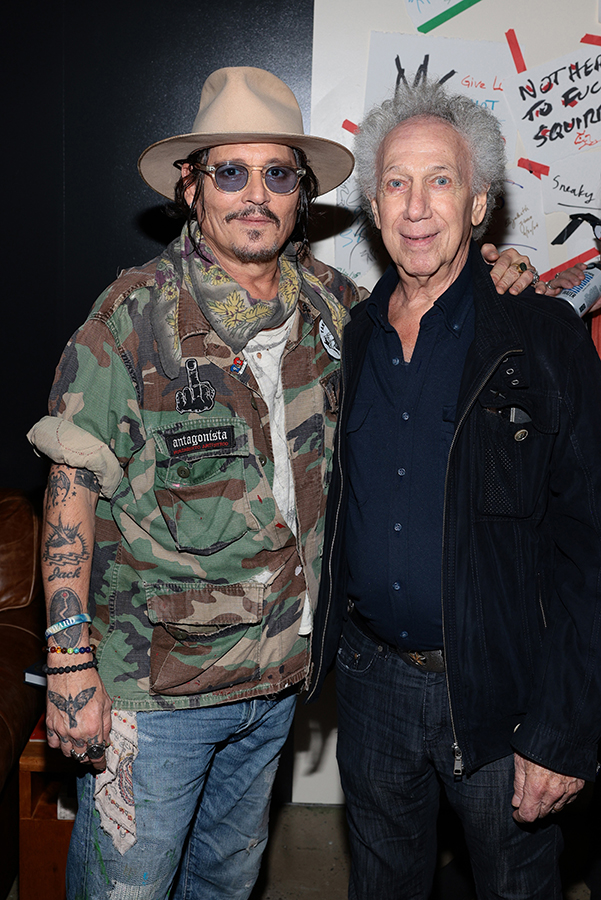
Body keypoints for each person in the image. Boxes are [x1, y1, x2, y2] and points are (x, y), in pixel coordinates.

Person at [28, 66, 547, 900]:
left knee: (225, 887)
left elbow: (436, 309)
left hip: (273, 692)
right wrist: (67, 662)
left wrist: (497, 278)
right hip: (152, 699)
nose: (255, 194)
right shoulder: (130, 319)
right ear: (191, 189)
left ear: (301, 193)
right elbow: (69, 488)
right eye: (230, 172)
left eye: (278, 174)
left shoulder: (337, 312)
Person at [308, 78, 601, 900]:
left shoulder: (542, 336)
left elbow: (589, 546)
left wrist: (566, 730)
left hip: (501, 693)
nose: (416, 206)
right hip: (369, 689)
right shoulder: (353, 334)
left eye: (441, 180)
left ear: (478, 205)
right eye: (395, 182)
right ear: (371, 204)